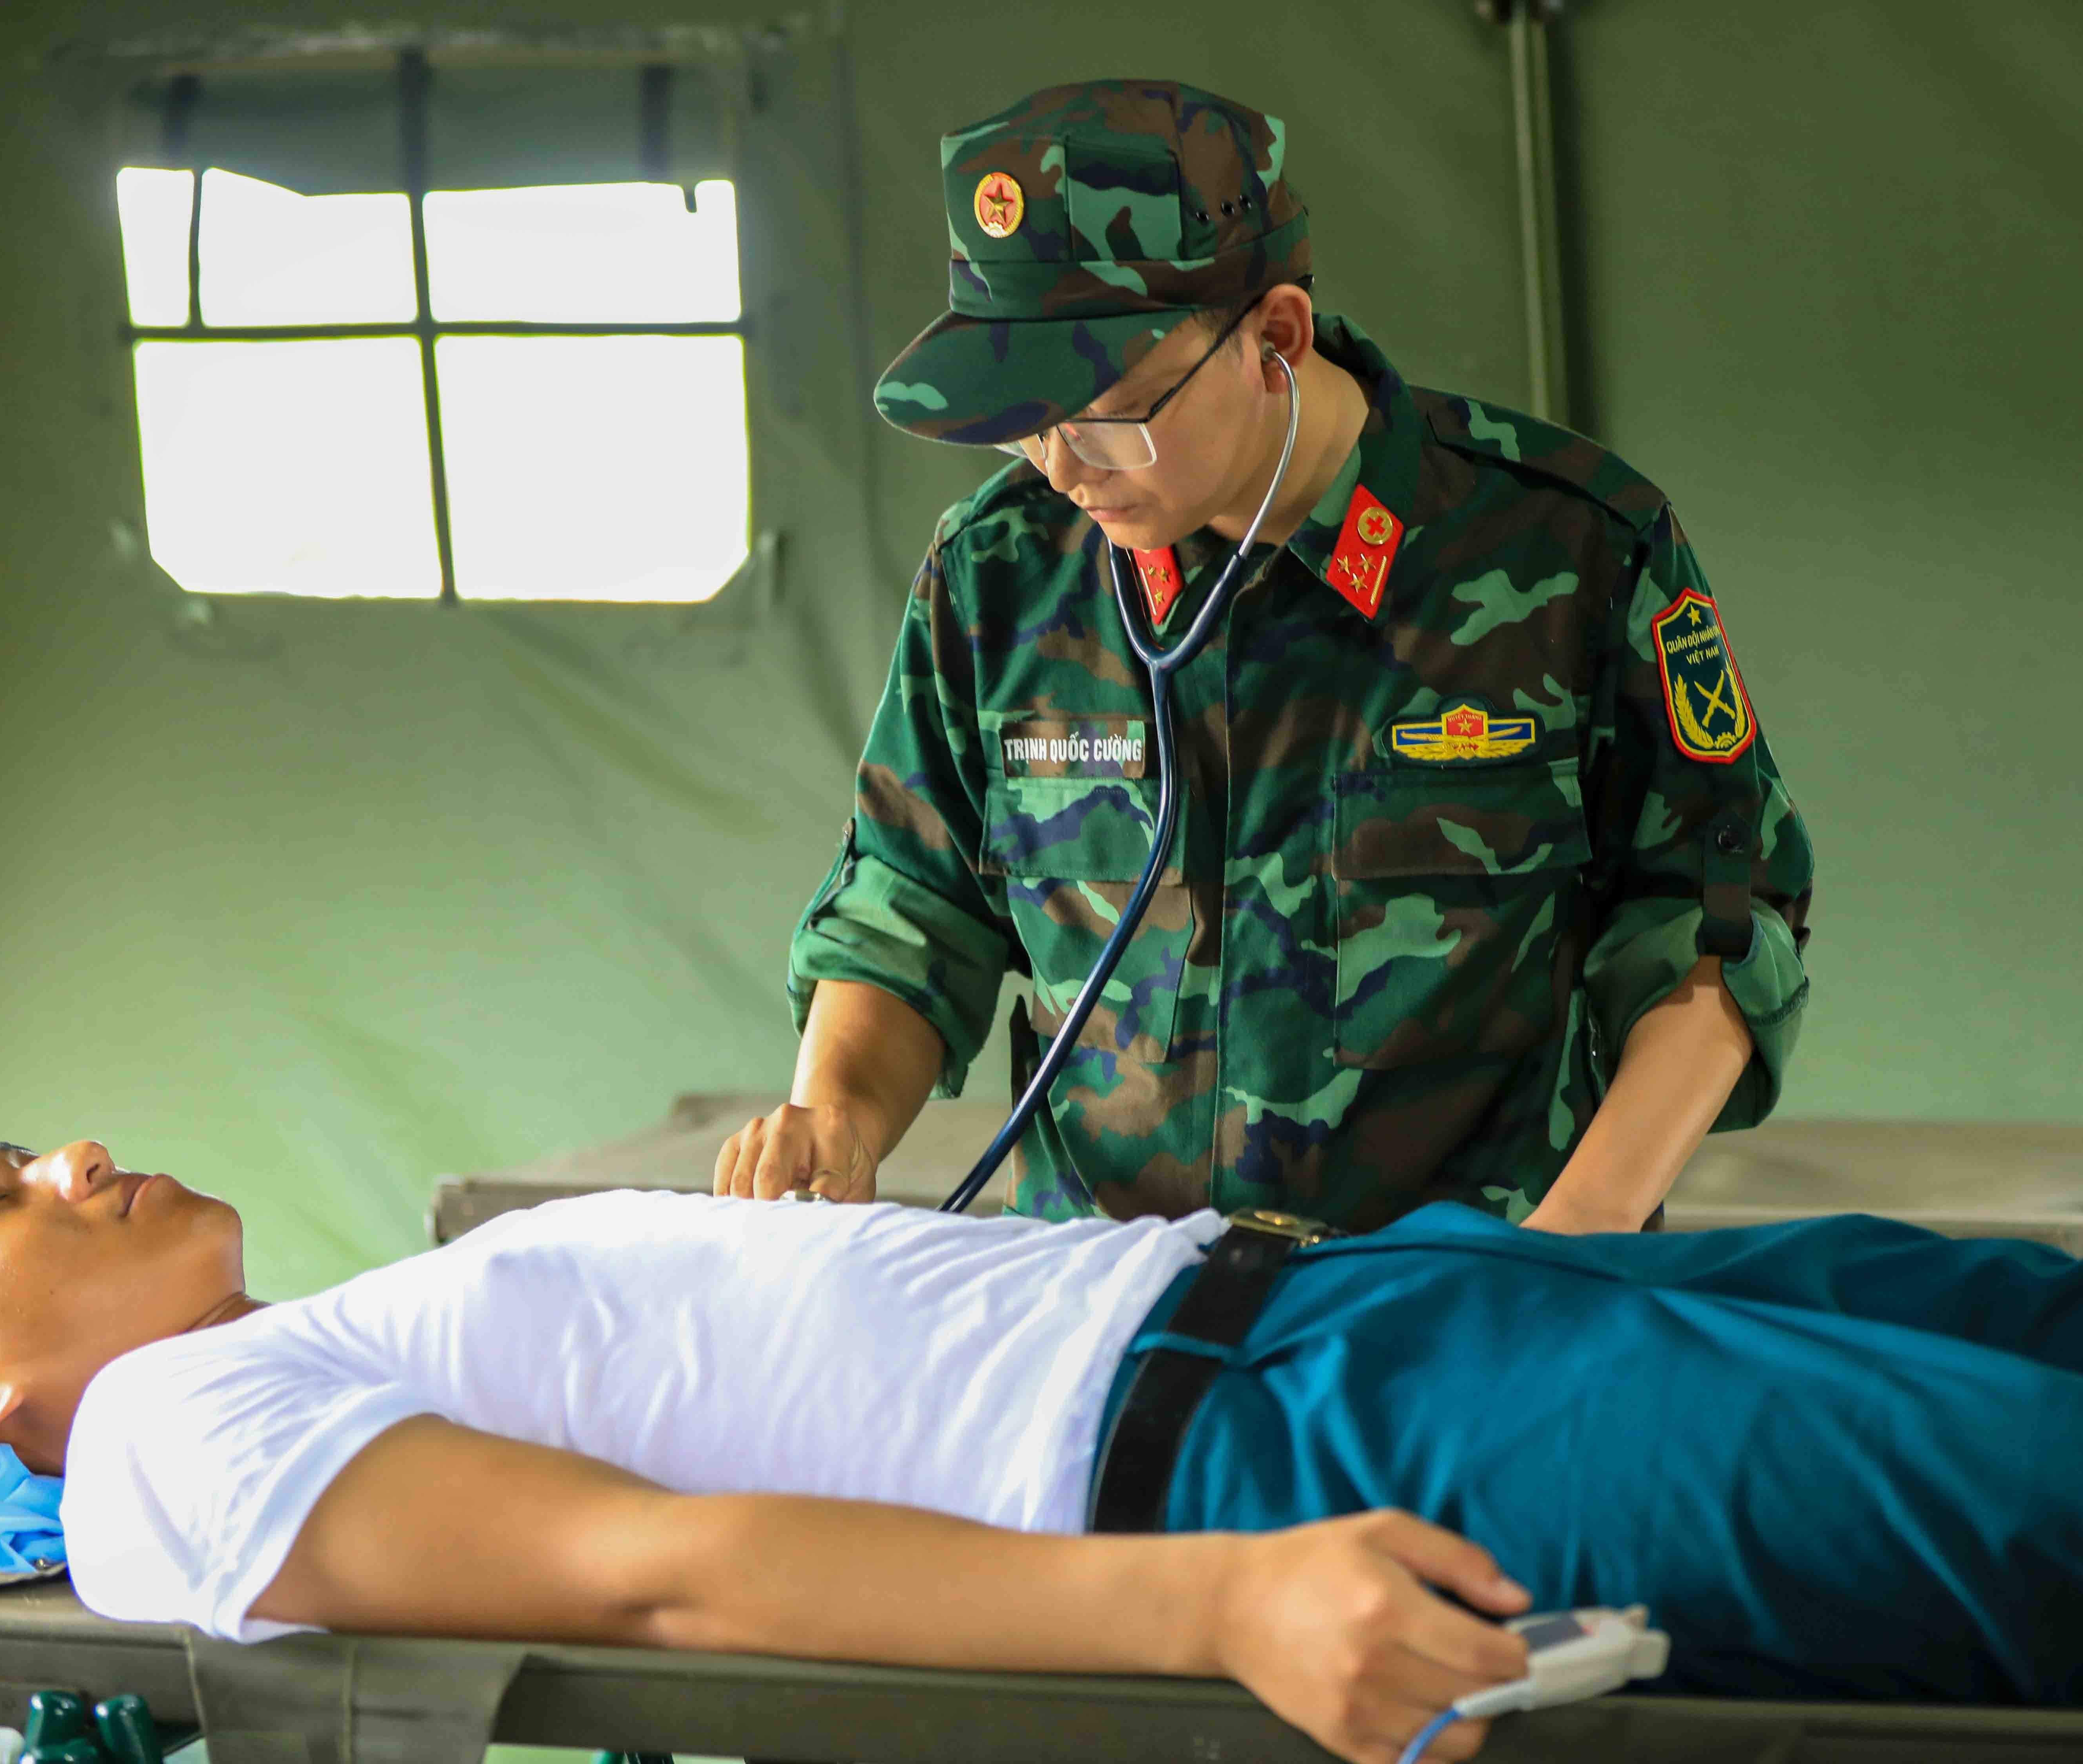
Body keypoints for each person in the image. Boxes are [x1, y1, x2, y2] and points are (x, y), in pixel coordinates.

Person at [0, 1136, 2083, 1761]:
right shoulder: (164, 1448)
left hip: (1327, 1297)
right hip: (1258, 1447)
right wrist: (1228, 1598)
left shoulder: (327, 1327)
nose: (75, 1156)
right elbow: (657, 1573)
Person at [723, 78, 1816, 1233]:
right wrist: (837, 1113)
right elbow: (911, 901)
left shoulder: (1573, 547)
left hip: (1463, 1301)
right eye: (1028, 423)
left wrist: (1572, 1242)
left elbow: (1713, 917)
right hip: (1105, 1309)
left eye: (1107, 415)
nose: (1064, 469)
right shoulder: (1001, 572)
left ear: (1274, 339)